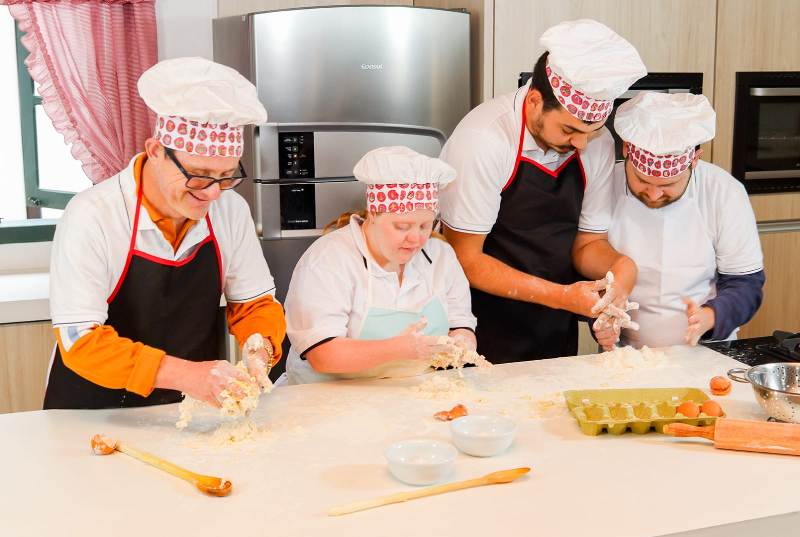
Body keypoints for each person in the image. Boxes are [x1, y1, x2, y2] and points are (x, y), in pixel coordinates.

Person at [44, 57, 286, 409]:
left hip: (186, 407)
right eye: (199, 175)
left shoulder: (231, 211)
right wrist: (187, 375)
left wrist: (259, 348)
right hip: (92, 409)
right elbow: (81, 341)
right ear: (156, 151)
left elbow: (255, 304)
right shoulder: (94, 215)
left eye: (226, 176)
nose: (213, 193)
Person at [438, 19, 647, 362]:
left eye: (592, 132)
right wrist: (563, 296)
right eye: (569, 130)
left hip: (553, 324)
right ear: (535, 101)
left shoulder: (597, 144)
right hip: (476, 325)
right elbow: (465, 259)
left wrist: (621, 271)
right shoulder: (485, 140)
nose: (581, 144)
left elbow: (588, 244)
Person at [283, 146, 477, 384]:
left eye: (425, 226)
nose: (416, 239)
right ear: (373, 214)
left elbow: (460, 324)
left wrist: (462, 343)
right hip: (328, 397)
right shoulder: (328, 260)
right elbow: (323, 355)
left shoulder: (441, 256)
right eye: (402, 227)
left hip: (412, 394)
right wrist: (400, 350)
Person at [594, 91, 765, 349]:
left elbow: (746, 285)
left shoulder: (724, 192)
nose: (653, 194)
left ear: (694, 160)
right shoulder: (603, 185)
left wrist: (711, 316)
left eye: (668, 184)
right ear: (626, 150)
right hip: (625, 355)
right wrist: (599, 316)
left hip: (709, 352)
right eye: (641, 180)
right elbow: (586, 268)